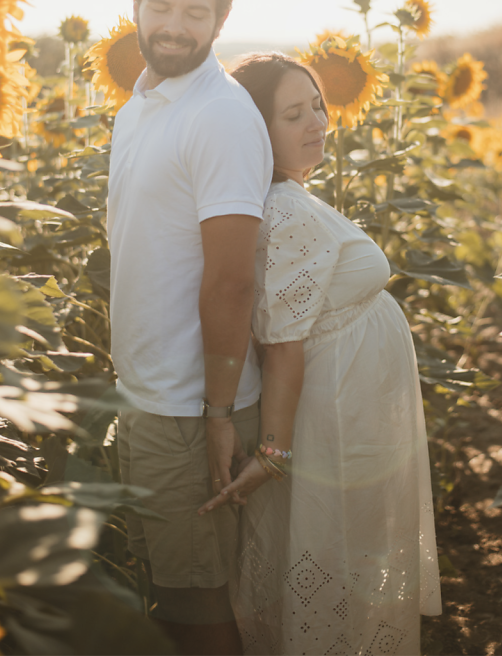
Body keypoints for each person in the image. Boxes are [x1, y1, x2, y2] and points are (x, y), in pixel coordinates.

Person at [199, 52, 441, 656]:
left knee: (337, 559)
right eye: (292, 114)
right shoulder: (282, 211)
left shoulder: (283, 197)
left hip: (345, 406)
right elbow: (282, 342)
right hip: (331, 418)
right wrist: (274, 453)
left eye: (318, 106)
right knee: (339, 558)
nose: (316, 123)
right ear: (257, 131)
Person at [107, 0, 273, 656]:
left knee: (200, 601)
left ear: (218, 23)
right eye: (162, 6)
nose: (175, 25)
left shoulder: (220, 115)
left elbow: (232, 279)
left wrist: (216, 413)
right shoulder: (139, 106)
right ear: (137, 8)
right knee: (170, 588)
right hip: (146, 396)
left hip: (189, 405)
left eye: (194, 12)